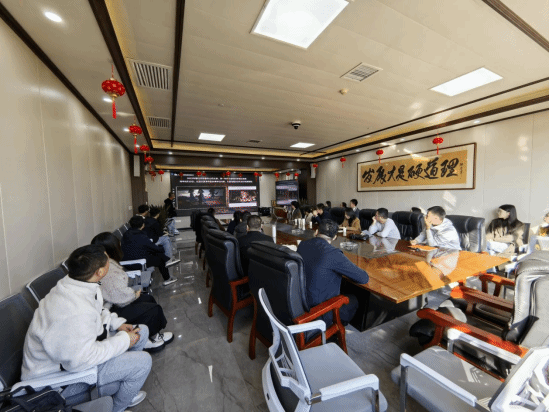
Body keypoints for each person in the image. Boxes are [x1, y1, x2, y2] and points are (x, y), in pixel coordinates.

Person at [21, 245, 151, 412]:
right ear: (100, 271)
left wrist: (116, 323)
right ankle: (118, 407)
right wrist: (124, 340)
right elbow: (82, 360)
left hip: (76, 356)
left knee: (142, 332)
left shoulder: (76, 284)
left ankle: (127, 387)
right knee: (143, 362)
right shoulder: (75, 312)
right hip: (60, 383)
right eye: (107, 260)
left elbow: (98, 310)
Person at [92, 232, 173, 352]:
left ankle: (154, 334)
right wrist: (135, 294)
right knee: (153, 309)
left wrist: (134, 293)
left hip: (115, 302)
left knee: (148, 299)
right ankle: (145, 340)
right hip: (111, 309)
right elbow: (120, 297)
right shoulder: (106, 269)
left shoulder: (106, 264)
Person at [298, 220, 369, 326]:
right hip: (319, 311)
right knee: (353, 300)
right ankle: (334, 327)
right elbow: (363, 278)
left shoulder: (302, 245)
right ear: (335, 237)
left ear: (316, 232)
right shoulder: (333, 254)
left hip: (300, 302)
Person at [122, 216, 178, 286]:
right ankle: (167, 277)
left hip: (127, 263)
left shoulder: (126, 234)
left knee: (156, 253)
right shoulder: (141, 236)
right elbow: (153, 247)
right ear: (143, 225)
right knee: (159, 257)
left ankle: (167, 260)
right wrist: (161, 249)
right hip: (139, 263)